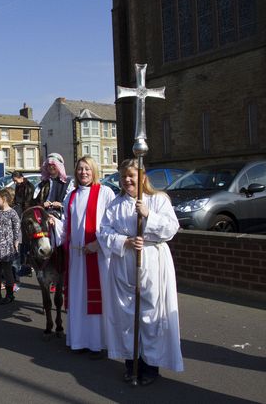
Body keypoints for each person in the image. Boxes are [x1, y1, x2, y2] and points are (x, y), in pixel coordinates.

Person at [98, 158, 184, 385]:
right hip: (125, 264)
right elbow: (103, 233)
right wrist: (123, 241)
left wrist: (148, 215)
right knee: (127, 316)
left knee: (150, 316)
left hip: (152, 263)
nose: (127, 180)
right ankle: (131, 363)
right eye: (124, 176)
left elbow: (171, 228)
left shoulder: (158, 200)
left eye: (131, 176)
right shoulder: (115, 205)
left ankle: (150, 367)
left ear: (142, 177)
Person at [62, 156, 115, 358]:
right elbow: (66, 226)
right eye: (80, 169)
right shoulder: (71, 196)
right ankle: (78, 340)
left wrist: (98, 244)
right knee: (78, 298)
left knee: (96, 299)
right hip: (77, 256)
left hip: (97, 255)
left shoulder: (105, 193)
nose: (83, 172)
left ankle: (97, 343)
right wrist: (52, 224)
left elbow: (113, 223)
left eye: (87, 169)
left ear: (94, 171)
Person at [0, 188, 20, 305]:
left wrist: (16, 242)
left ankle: (10, 294)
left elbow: (17, 229)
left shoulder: (12, 213)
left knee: (7, 270)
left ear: (5, 199)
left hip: (7, 244)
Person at [33, 153, 72, 218]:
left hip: (61, 218)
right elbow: (34, 201)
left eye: (53, 165)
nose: (51, 167)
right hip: (45, 217)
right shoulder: (43, 183)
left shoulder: (68, 183)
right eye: (49, 165)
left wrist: (61, 205)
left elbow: (72, 202)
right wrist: (43, 205)